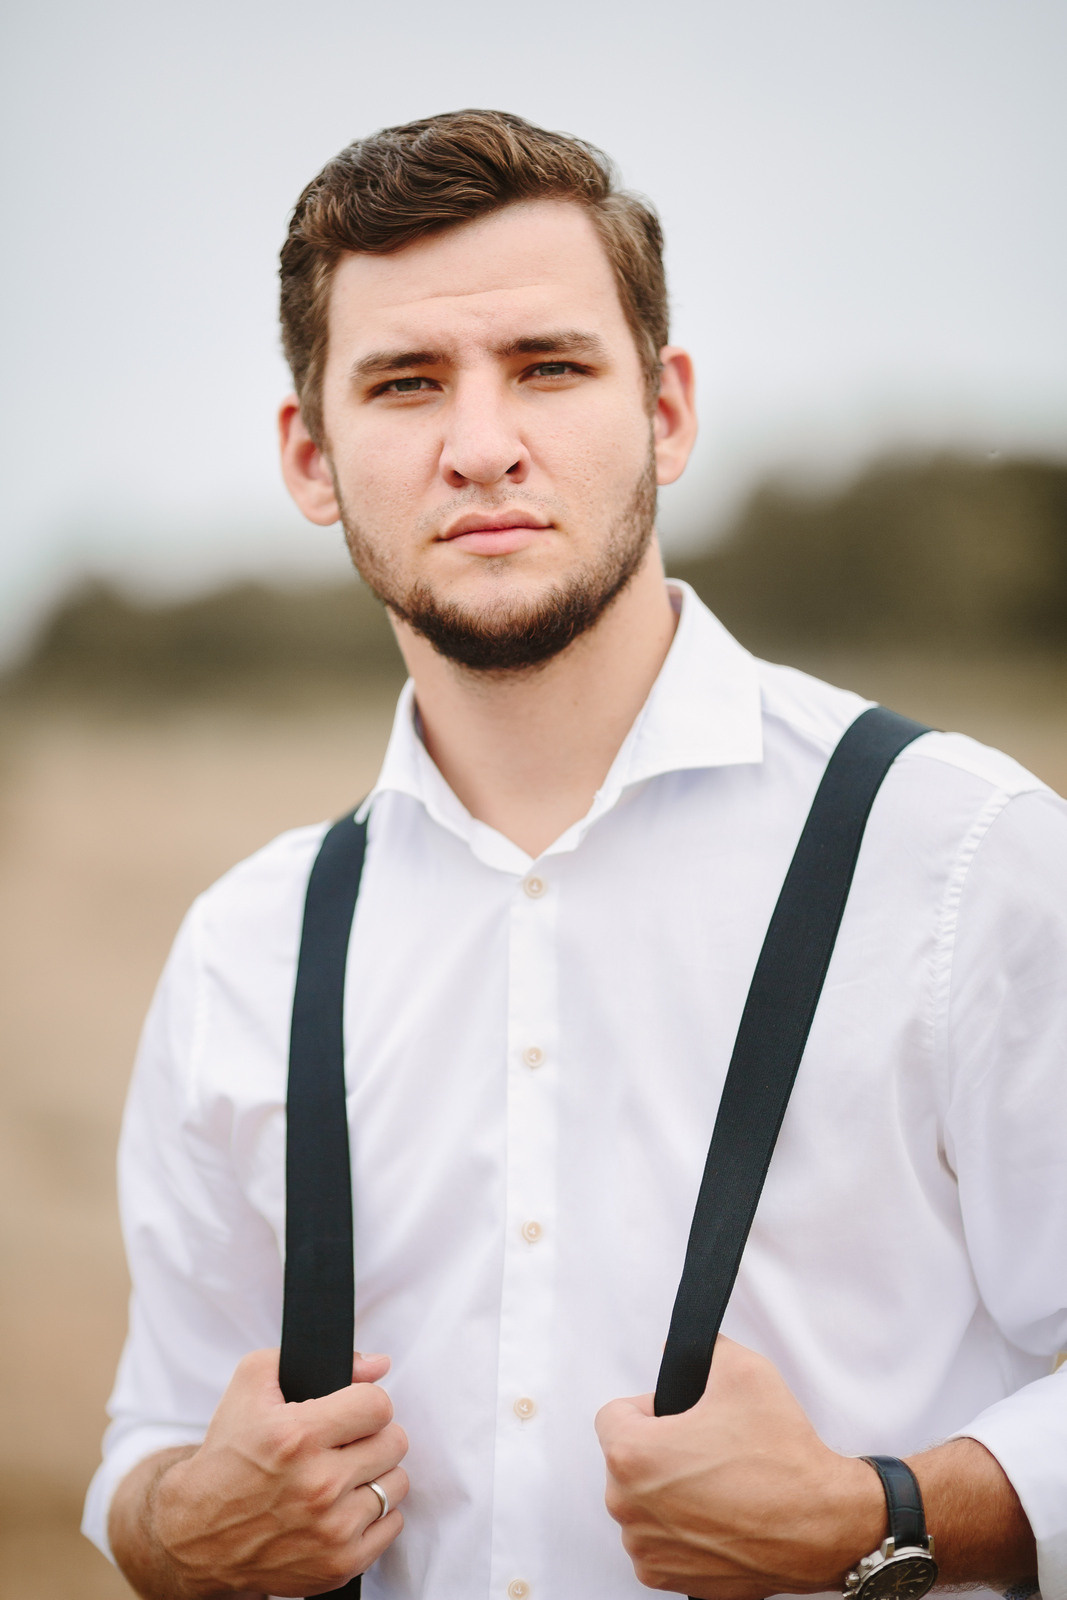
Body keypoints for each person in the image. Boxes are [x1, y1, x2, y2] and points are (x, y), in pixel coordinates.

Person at [83, 110, 1067, 1600]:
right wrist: (178, 1525)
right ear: (311, 454)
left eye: (549, 366)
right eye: (407, 384)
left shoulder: (963, 856)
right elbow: (152, 1440)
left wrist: (882, 1509)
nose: (484, 447)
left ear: (666, 411)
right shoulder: (246, 945)